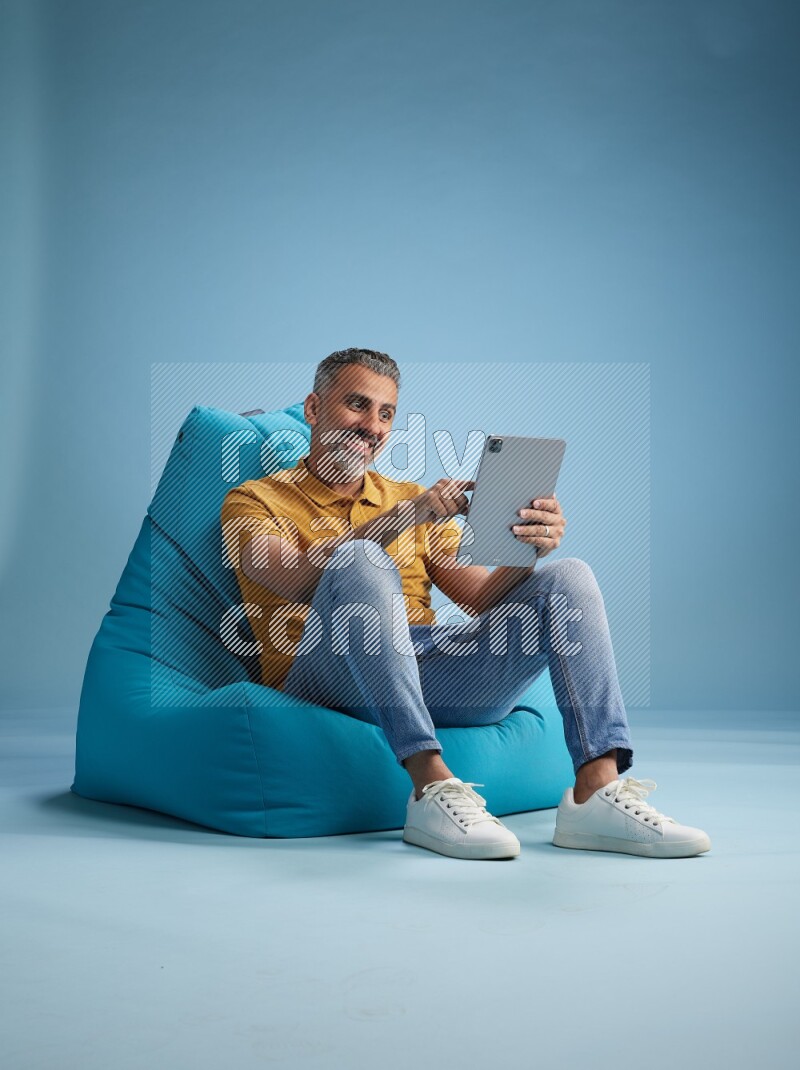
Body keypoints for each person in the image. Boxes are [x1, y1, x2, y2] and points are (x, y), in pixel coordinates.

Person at [221, 348, 710, 861]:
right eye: (357, 406)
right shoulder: (252, 501)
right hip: (324, 673)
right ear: (314, 409)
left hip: (426, 667)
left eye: (386, 413)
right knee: (361, 558)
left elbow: (480, 598)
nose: (373, 426)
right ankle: (430, 787)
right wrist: (403, 519)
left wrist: (528, 551)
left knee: (569, 576)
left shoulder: (406, 495)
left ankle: (596, 790)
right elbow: (298, 579)